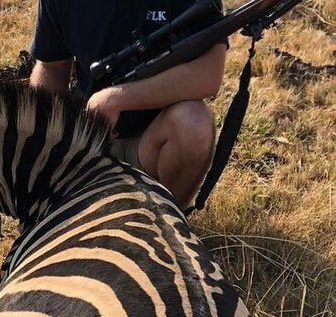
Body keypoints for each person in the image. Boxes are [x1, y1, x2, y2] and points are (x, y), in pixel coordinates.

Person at [29, 0, 228, 209]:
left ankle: (168, 217)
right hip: (89, 142)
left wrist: (115, 101)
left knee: (193, 122)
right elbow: (51, 68)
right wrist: (43, 138)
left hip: (153, 144)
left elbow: (208, 74)